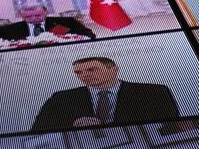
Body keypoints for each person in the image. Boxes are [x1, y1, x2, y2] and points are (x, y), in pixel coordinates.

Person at [31, 56, 180, 131]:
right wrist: (72, 126)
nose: (84, 75)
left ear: (114, 70)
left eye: (91, 70)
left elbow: (172, 127)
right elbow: (37, 131)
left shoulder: (153, 92)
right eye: (78, 72)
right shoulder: (61, 99)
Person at [0, 3, 96, 40]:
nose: (34, 18)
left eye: (38, 15)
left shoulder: (67, 22)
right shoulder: (7, 30)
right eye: (28, 17)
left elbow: (89, 35)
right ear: (21, 16)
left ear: (46, 12)